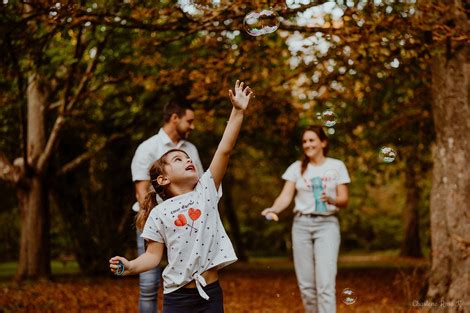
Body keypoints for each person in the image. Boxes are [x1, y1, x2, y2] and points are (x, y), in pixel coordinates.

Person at [110, 80, 252, 313]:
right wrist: (130, 266)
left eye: (187, 158)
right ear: (163, 179)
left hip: (211, 293)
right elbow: (152, 257)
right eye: (178, 159)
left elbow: (224, 149)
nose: (188, 159)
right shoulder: (158, 213)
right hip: (176, 298)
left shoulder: (206, 191)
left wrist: (237, 111)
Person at [261, 125, 350, 313]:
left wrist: (332, 199)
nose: (307, 144)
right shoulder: (296, 168)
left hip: (327, 225)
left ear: (323, 142)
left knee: (325, 285)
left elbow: (344, 200)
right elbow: (286, 196)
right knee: (307, 287)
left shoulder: (336, 166)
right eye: (304, 141)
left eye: (311, 140)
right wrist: (273, 208)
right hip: (301, 226)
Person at [130, 100, 204, 313]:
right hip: (153, 222)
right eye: (189, 121)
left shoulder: (191, 149)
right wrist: (155, 220)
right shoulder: (148, 148)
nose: (192, 126)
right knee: (149, 285)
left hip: (187, 223)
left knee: (188, 280)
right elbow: (142, 191)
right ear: (175, 118)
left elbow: (198, 184)